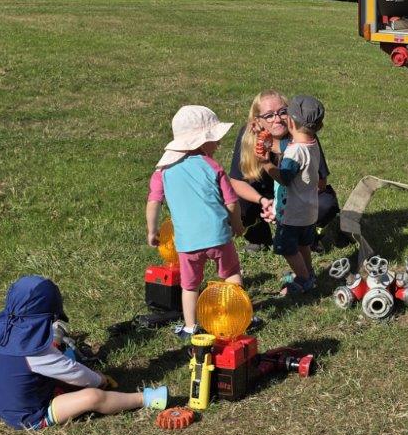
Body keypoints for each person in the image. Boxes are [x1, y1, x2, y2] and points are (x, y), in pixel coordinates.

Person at [0, 275, 168, 430]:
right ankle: (145, 399)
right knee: (92, 397)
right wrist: (99, 379)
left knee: (63, 363)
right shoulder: (36, 354)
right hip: (31, 415)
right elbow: (75, 373)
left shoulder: (2, 331)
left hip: (9, 405)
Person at [146, 105, 245, 338]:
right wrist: (237, 224)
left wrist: (152, 230)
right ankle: (235, 315)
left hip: (187, 242)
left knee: (189, 286)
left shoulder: (163, 171)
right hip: (219, 236)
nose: (218, 143)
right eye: (214, 140)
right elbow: (232, 203)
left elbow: (153, 202)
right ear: (200, 142)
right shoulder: (212, 166)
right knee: (231, 273)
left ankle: (190, 327)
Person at [228, 90, 343, 254]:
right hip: (264, 194)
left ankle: (308, 237)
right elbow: (236, 181)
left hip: (298, 195)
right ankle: (258, 236)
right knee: (236, 202)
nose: (277, 119)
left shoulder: (303, 135)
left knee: (326, 204)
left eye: (283, 112)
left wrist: (284, 207)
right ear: (257, 120)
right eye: (269, 115)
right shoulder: (248, 136)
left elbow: (320, 183)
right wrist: (263, 201)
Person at [257, 95, 326, 295]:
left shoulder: (294, 153)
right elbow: (285, 146)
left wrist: (266, 163)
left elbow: (284, 178)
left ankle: (303, 279)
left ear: (291, 122)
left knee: (286, 247)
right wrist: (266, 142)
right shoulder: (311, 143)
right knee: (303, 244)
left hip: (292, 214)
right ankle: (308, 272)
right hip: (308, 211)